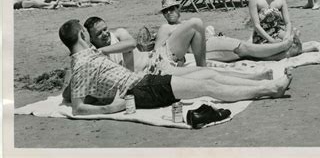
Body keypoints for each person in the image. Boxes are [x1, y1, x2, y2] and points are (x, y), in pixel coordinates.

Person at [59, 19, 292, 115]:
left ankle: (264, 83)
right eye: (89, 34)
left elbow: (70, 92)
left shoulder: (88, 54)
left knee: (207, 74)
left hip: (143, 84)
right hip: (140, 90)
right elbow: (77, 107)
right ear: (82, 34)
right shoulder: (81, 64)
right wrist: (110, 108)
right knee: (206, 85)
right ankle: (271, 89)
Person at [151, 0, 300, 63]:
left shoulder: (184, 23)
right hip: (205, 48)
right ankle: (283, 46)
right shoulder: (165, 28)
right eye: (166, 11)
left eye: (172, 8)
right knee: (245, 49)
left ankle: (286, 53)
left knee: (246, 53)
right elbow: (157, 54)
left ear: (178, 9)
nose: (169, 12)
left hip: (211, 41)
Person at [249, 0, 319, 58]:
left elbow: (288, 23)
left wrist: (286, 35)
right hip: (262, 36)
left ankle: (291, 47)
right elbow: (257, 26)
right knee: (273, 52)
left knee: (290, 41)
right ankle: (299, 49)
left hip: (277, 33)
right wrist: (271, 40)